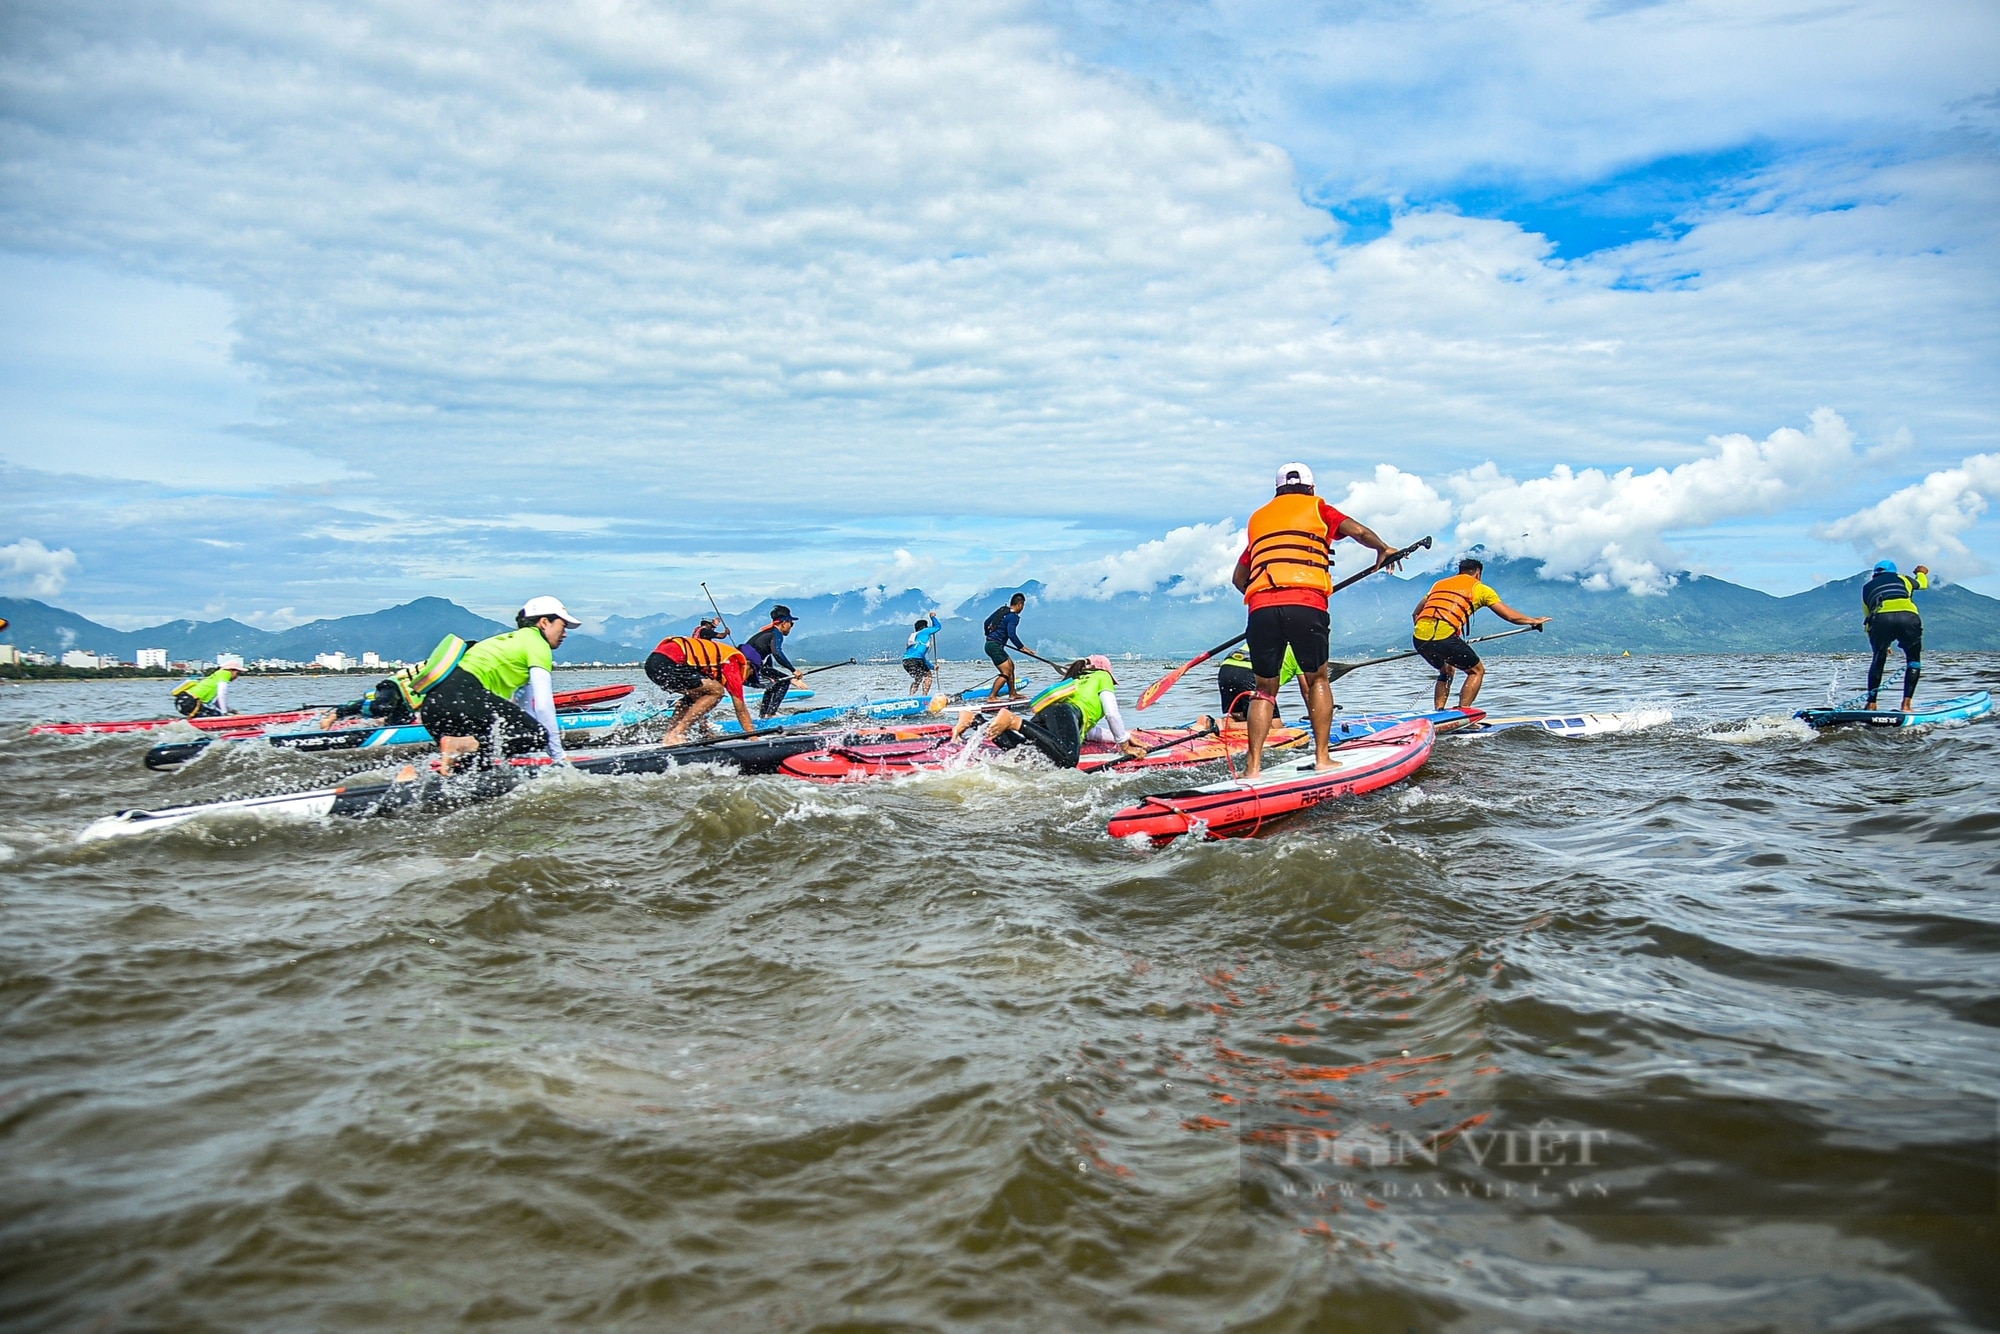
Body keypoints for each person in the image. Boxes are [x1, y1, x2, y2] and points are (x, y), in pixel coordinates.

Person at [1231, 462, 1399, 777]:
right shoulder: (1319, 508)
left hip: (1261, 609)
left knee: (1265, 689)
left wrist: (1261, 592)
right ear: (1311, 488)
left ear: (1277, 490)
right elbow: (1359, 531)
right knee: (1317, 678)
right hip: (1307, 604)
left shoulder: (1259, 519)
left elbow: (1238, 577)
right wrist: (1383, 548)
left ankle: (1252, 769)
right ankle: (1323, 757)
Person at [420, 598, 580, 772]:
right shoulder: (537, 644)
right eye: (562, 626)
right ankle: (462, 745)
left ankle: (410, 781)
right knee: (538, 736)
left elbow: (527, 710)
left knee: (474, 772)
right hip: (463, 697)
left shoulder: (507, 641)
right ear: (544, 622)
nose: (564, 634)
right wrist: (559, 756)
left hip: (433, 707)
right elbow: (543, 707)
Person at [953, 655, 1147, 767]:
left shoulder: (1076, 680)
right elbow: (1112, 713)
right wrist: (1124, 746)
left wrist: (1125, 735)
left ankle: (975, 720)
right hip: (1065, 712)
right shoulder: (1102, 675)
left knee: (1024, 752)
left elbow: (1088, 731)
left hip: (1051, 712)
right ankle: (1014, 721)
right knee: (1068, 759)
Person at [1411, 556, 1550, 710]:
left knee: (1447, 670)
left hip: (1419, 638)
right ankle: (1463, 713)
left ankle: (1439, 712)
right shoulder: (1480, 588)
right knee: (1477, 671)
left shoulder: (1438, 584)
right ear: (1478, 574)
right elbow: (1510, 616)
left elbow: (1415, 614)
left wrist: (1429, 636)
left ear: (1460, 572)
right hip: (1444, 638)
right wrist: (1533, 620)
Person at [319, 635, 471, 729]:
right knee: (382, 707)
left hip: (409, 705)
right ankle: (337, 713)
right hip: (396, 687)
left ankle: (373, 722)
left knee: (394, 726)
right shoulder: (453, 662)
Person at [648, 628, 758, 743]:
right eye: (750, 674)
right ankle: (678, 733)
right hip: (668, 662)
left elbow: (700, 704)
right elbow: (740, 708)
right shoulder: (732, 661)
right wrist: (754, 738)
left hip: (653, 664)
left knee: (696, 695)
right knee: (717, 691)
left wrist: (704, 729)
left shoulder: (717, 658)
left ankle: (670, 735)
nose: (745, 680)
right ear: (747, 664)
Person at [1860, 559, 1931, 711]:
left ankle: (1871, 704)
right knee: (1913, 660)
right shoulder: (1903, 579)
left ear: (1875, 574)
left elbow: (1868, 618)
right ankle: (1906, 706)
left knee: (1878, 660)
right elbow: (1923, 584)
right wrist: (1921, 572)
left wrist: (1881, 644)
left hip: (1881, 620)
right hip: (1908, 618)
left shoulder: (1866, 588)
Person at [1215, 644, 1303, 733]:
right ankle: (1225, 725)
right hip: (1250, 672)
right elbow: (1308, 690)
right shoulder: (1301, 652)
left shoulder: (1275, 637)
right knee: (1275, 726)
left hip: (1226, 668)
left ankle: (1211, 723)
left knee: (1239, 717)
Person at [740, 605, 799, 719]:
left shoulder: (767, 633)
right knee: (784, 681)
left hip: (748, 667)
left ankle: (764, 715)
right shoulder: (776, 634)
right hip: (748, 669)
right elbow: (777, 653)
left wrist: (772, 675)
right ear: (784, 623)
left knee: (774, 683)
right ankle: (770, 713)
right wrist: (794, 670)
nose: (791, 627)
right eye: (791, 624)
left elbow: (768, 660)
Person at [983, 593, 1031, 700]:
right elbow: (1011, 634)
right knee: (1006, 673)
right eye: (1023, 605)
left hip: (992, 644)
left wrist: (988, 635)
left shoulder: (1003, 610)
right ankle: (992, 697)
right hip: (994, 646)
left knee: (1011, 666)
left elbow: (986, 622)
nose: (1022, 608)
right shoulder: (1013, 617)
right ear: (1020, 604)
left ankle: (1012, 694)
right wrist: (1022, 647)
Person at [171, 665, 241, 718]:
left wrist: (233, 711)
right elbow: (221, 694)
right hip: (189, 702)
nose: (237, 676)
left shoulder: (215, 678)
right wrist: (225, 713)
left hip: (182, 701)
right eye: (237, 673)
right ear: (231, 671)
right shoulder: (225, 673)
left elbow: (218, 703)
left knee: (214, 714)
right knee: (215, 715)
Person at [903, 614, 942, 695]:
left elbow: (922, 658)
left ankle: (910, 696)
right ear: (925, 627)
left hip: (906, 661)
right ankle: (924, 697)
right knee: (928, 676)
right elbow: (938, 627)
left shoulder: (913, 636)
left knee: (918, 678)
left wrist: (933, 667)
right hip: (916, 660)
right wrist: (933, 617)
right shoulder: (924, 631)